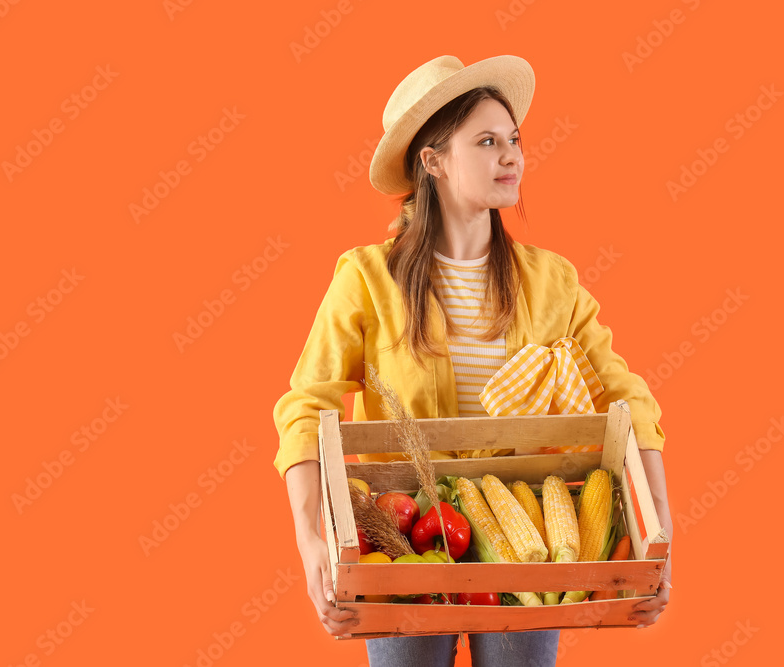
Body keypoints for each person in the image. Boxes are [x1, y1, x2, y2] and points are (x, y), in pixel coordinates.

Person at [273, 55, 673, 666]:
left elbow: (628, 400)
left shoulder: (552, 282)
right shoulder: (366, 278)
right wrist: (312, 547)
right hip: (405, 539)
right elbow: (307, 407)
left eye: (514, 140)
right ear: (433, 162)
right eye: (487, 141)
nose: (512, 156)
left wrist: (658, 540)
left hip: (527, 534)